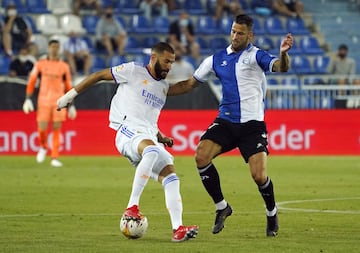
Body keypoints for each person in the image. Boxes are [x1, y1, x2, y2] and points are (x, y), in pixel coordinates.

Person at [57, 42, 199, 242]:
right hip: (126, 132)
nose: (169, 66)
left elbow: (147, 119)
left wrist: (161, 137)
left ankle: (178, 229)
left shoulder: (162, 88)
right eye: (166, 61)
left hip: (147, 135)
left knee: (171, 176)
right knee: (152, 152)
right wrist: (70, 96)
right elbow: (98, 76)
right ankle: (132, 207)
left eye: (172, 63)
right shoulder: (133, 71)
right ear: (153, 58)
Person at [166, 14, 293, 236]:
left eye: (240, 33)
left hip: (252, 125)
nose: (235, 36)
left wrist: (283, 54)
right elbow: (189, 84)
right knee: (201, 156)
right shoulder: (215, 59)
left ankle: (272, 213)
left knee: (259, 176)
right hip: (226, 120)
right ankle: (222, 207)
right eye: (233, 31)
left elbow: (280, 67)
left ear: (250, 35)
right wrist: (160, 90)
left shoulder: (257, 56)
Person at [22, 39, 77, 168]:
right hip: (44, 100)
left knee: (57, 129)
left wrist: (72, 104)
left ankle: (54, 157)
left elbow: (68, 86)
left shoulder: (64, 66)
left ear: (59, 49)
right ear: (48, 47)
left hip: (59, 101)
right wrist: (27, 98)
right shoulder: (40, 64)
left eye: (57, 47)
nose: (54, 49)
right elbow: (32, 81)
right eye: (52, 46)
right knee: (42, 128)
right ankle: (43, 146)